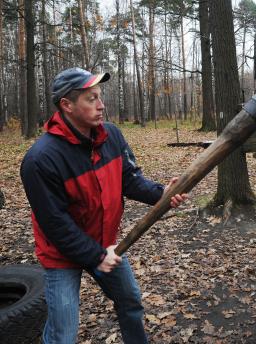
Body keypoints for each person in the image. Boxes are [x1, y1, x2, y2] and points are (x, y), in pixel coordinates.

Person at [20, 67, 187, 344]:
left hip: (107, 243)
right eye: (91, 98)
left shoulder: (110, 135)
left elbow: (129, 180)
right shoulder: (41, 160)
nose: (102, 105)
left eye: (100, 96)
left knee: (130, 301)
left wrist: (162, 193)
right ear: (67, 105)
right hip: (61, 256)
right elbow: (56, 225)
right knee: (64, 333)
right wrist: (97, 256)